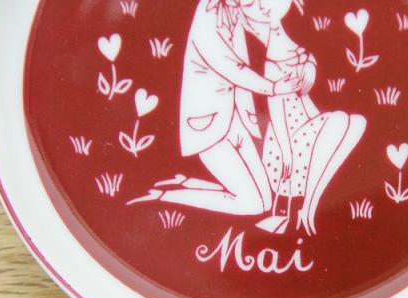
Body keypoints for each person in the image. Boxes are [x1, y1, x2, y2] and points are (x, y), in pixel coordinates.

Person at [128, 0, 300, 216]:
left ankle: (186, 183)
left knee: (265, 203)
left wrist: (301, 60)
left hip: (237, 119)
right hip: (210, 124)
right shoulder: (208, 19)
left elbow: (271, 35)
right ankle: (164, 196)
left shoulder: (233, 13)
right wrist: (273, 88)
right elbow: (231, 67)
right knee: (253, 205)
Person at [241, 0, 367, 235]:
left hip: (309, 133)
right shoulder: (270, 65)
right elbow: (276, 112)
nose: (262, 6)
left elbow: (302, 62)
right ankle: (303, 210)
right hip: (286, 146)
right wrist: (286, 152)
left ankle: (309, 206)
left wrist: (309, 63)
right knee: (341, 120)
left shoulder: (298, 53)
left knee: (357, 122)